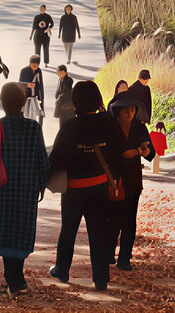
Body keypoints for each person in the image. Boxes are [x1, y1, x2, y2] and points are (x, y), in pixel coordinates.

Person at [0, 82, 50, 296]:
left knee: (3, 233)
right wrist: (40, 185)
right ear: (24, 103)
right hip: (26, 192)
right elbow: (42, 162)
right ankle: (16, 278)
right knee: (19, 233)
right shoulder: (34, 128)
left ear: (2, 102)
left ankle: (14, 279)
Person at [48, 81, 122, 291]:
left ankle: (62, 270)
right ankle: (100, 278)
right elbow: (117, 153)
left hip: (73, 189)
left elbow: (56, 159)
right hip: (99, 186)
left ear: (75, 102)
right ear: (98, 100)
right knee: (99, 231)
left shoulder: (70, 126)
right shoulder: (109, 123)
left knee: (68, 230)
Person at [107, 92, 153, 271]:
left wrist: (142, 151)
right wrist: (137, 150)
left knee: (129, 220)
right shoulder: (110, 128)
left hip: (133, 180)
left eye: (133, 110)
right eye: (126, 111)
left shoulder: (140, 128)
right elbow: (115, 153)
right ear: (118, 112)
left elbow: (151, 154)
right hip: (114, 179)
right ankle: (109, 253)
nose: (130, 114)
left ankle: (125, 257)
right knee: (113, 218)